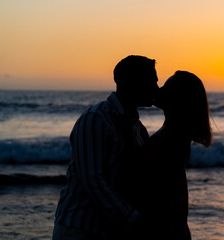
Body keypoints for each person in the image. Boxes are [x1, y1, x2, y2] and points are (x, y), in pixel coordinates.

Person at [52, 55, 159, 240]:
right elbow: (93, 181)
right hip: (80, 229)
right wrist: (133, 219)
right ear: (131, 83)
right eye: (151, 81)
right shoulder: (96, 119)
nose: (156, 88)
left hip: (108, 230)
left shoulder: (136, 127)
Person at [135, 71, 212, 240]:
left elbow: (152, 187)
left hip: (166, 230)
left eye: (166, 88)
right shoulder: (174, 132)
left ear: (179, 99)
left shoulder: (173, 136)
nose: (159, 90)